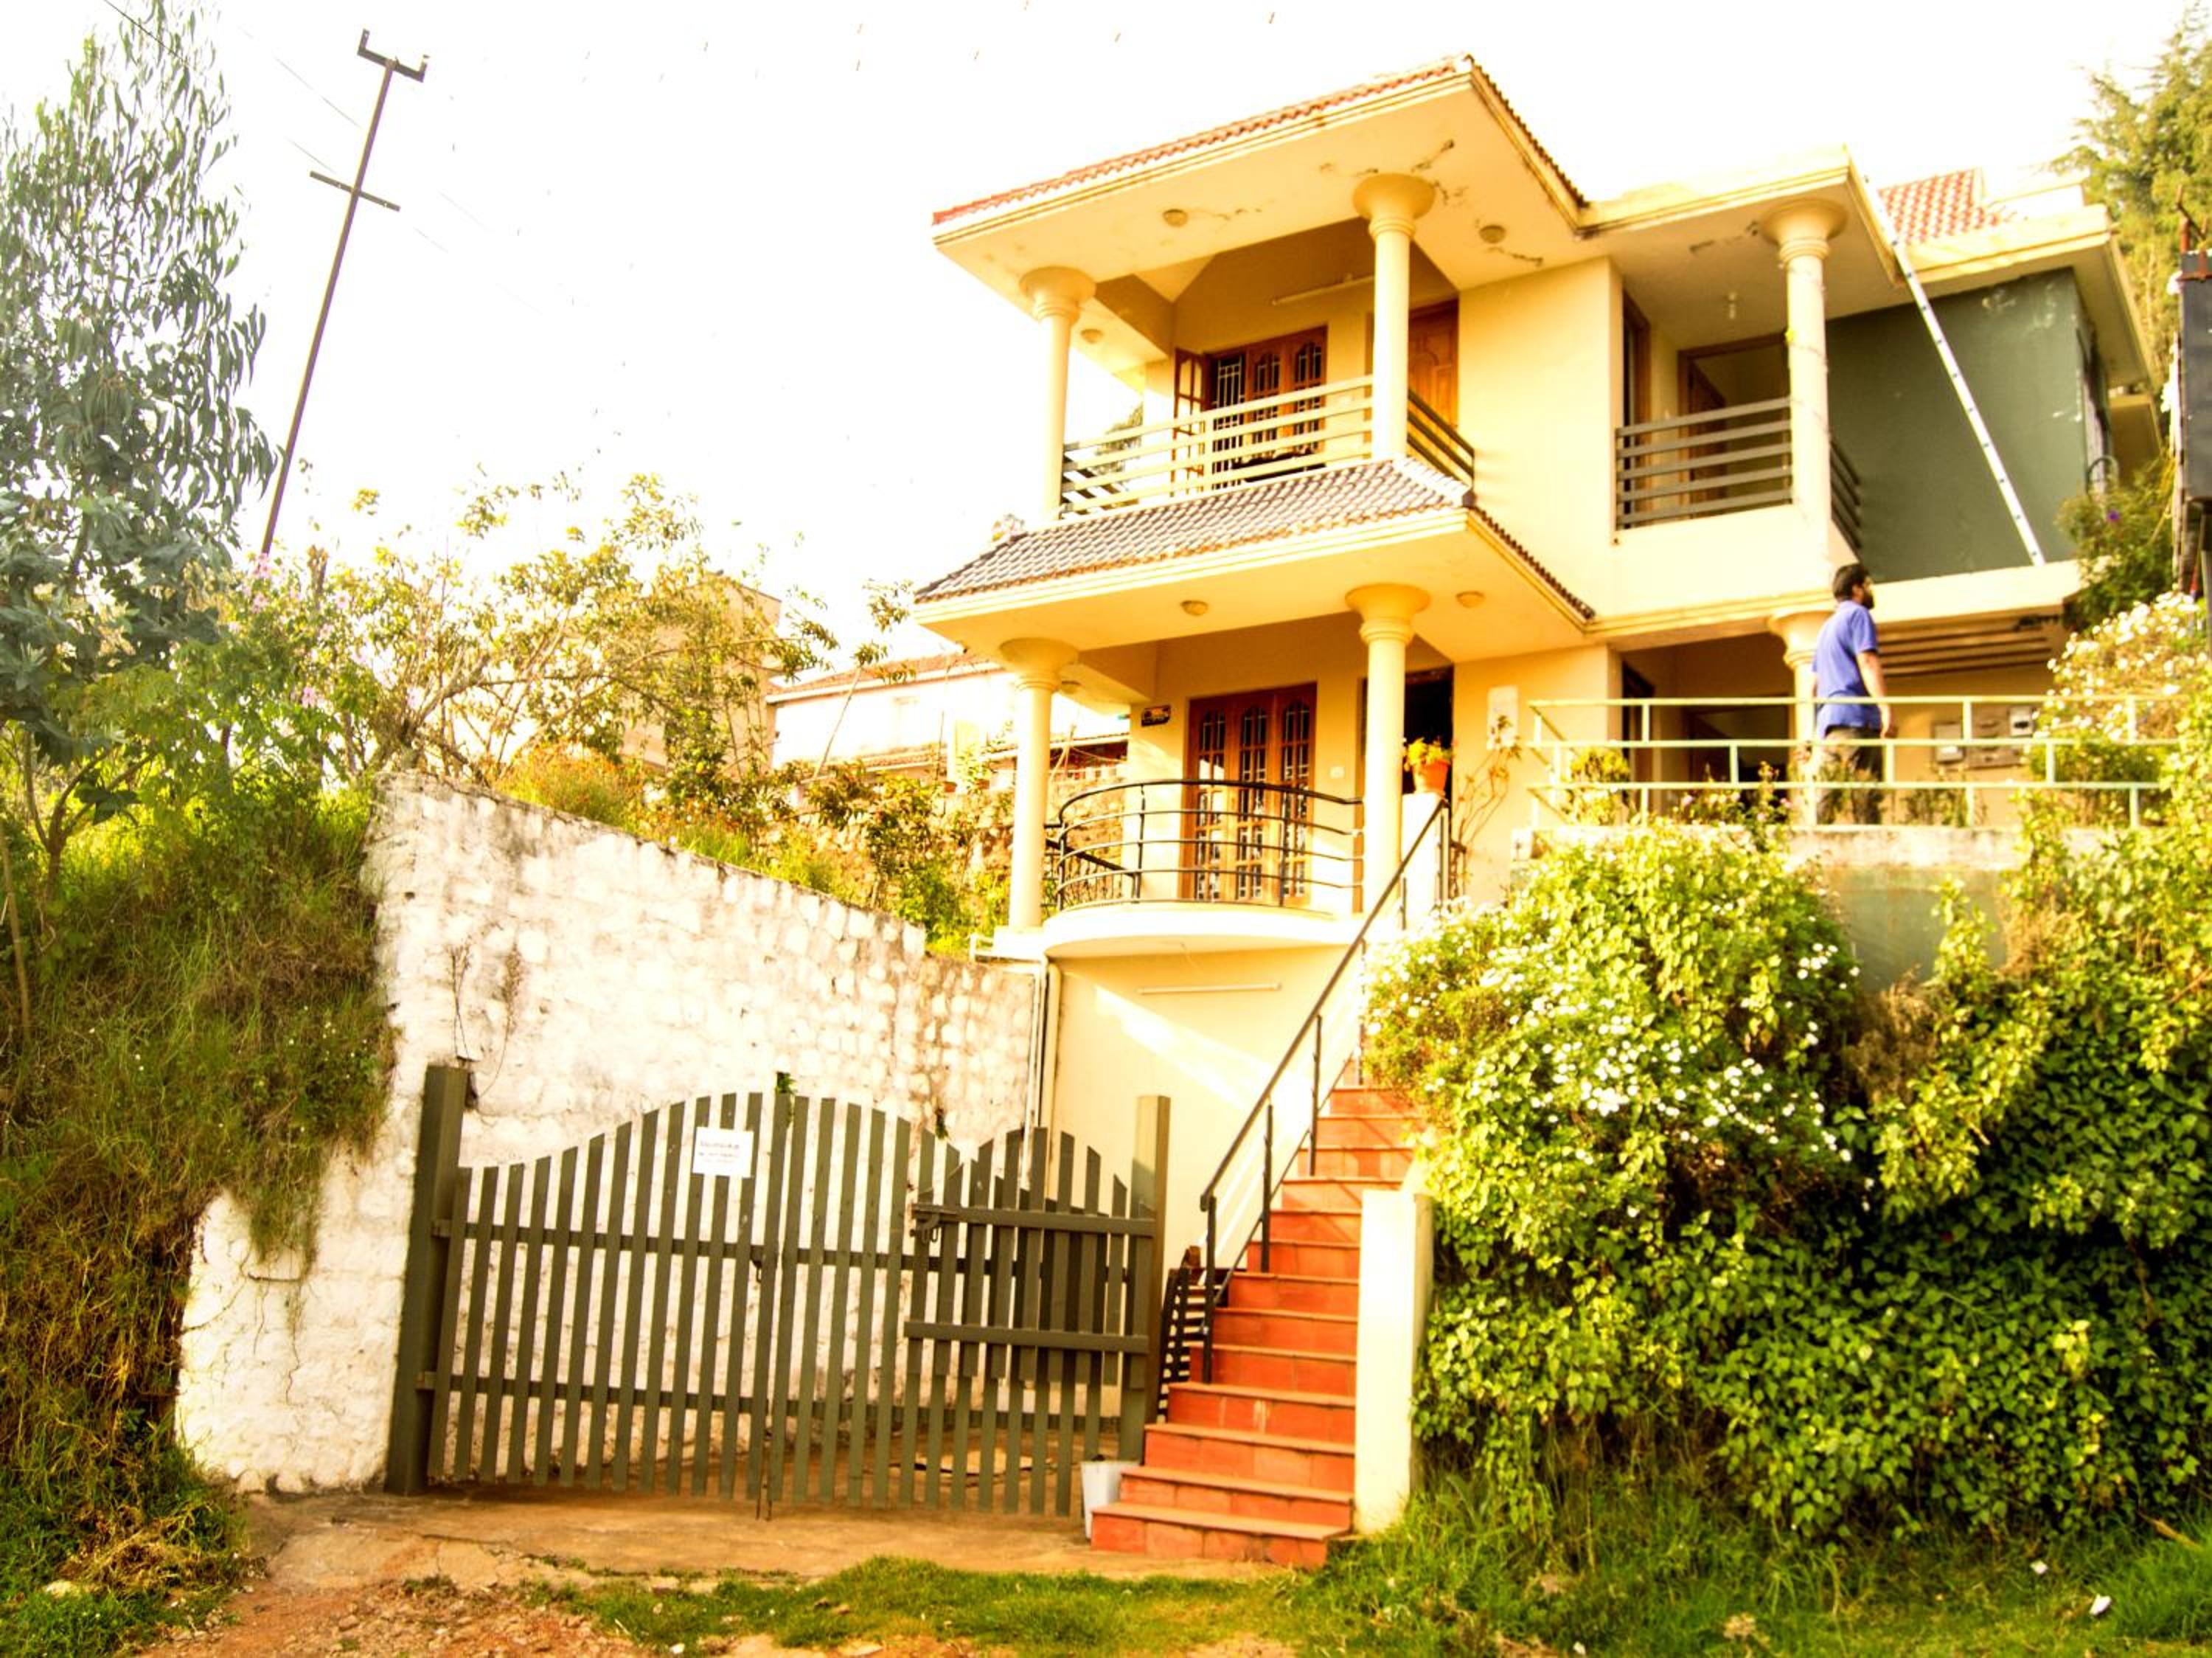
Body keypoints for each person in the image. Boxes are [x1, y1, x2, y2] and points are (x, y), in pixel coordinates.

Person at [1810, 563, 1892, 825]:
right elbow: (1867, 661)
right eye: (1868, 585)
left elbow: (1813, 686)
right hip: (1857, 719)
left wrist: (1813, 733)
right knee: (1865, 798)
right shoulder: (1858, 615)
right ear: (1857, 589)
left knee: (1825, 802)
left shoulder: (1826, 628)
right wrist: (1885, 708)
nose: (1870, 591)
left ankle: (1812, 843)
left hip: (1829, 725)